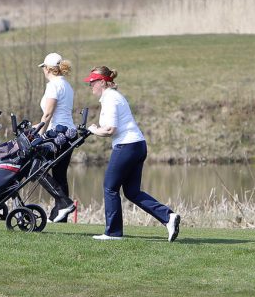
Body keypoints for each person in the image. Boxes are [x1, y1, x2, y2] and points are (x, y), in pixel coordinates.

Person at [84, 66, 180, 242]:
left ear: (103, 82)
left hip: (127, 146)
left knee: (110, 187)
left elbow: (111, 129)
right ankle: (168, 217)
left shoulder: (110, 98)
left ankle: (112, 233)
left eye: (93, 82)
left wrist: (93, 130)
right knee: (132, 192)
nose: (90, 85)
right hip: (137, 145)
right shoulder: (113, 96)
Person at [37, 52, 78, 223]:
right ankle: (61, 216)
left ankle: (64, 202)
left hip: (58, 135)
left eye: (44, 68)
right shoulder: (67, 85)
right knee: (60, 175)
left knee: (36, 169)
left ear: (48, 69)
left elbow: (48, 114)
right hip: (69, 133)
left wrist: (38, 135)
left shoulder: (53, 86)